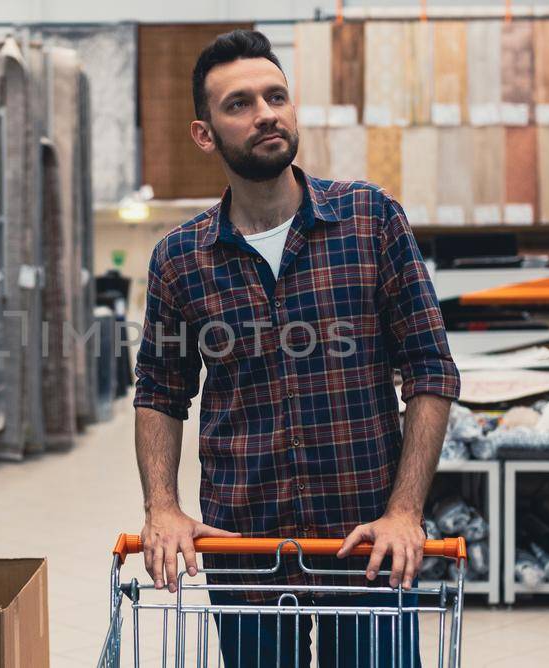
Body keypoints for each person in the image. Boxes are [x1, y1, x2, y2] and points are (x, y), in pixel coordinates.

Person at [131, 28, 460, 667]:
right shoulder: (179, 260)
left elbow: (429, 370)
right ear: (206, 134)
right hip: (243, 550)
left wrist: (405, 512)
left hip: (365, 548)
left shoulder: (370, 220)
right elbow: (160, 393)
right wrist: (163, 508)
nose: (265, 114)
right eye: (239, 104)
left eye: (275, 96)